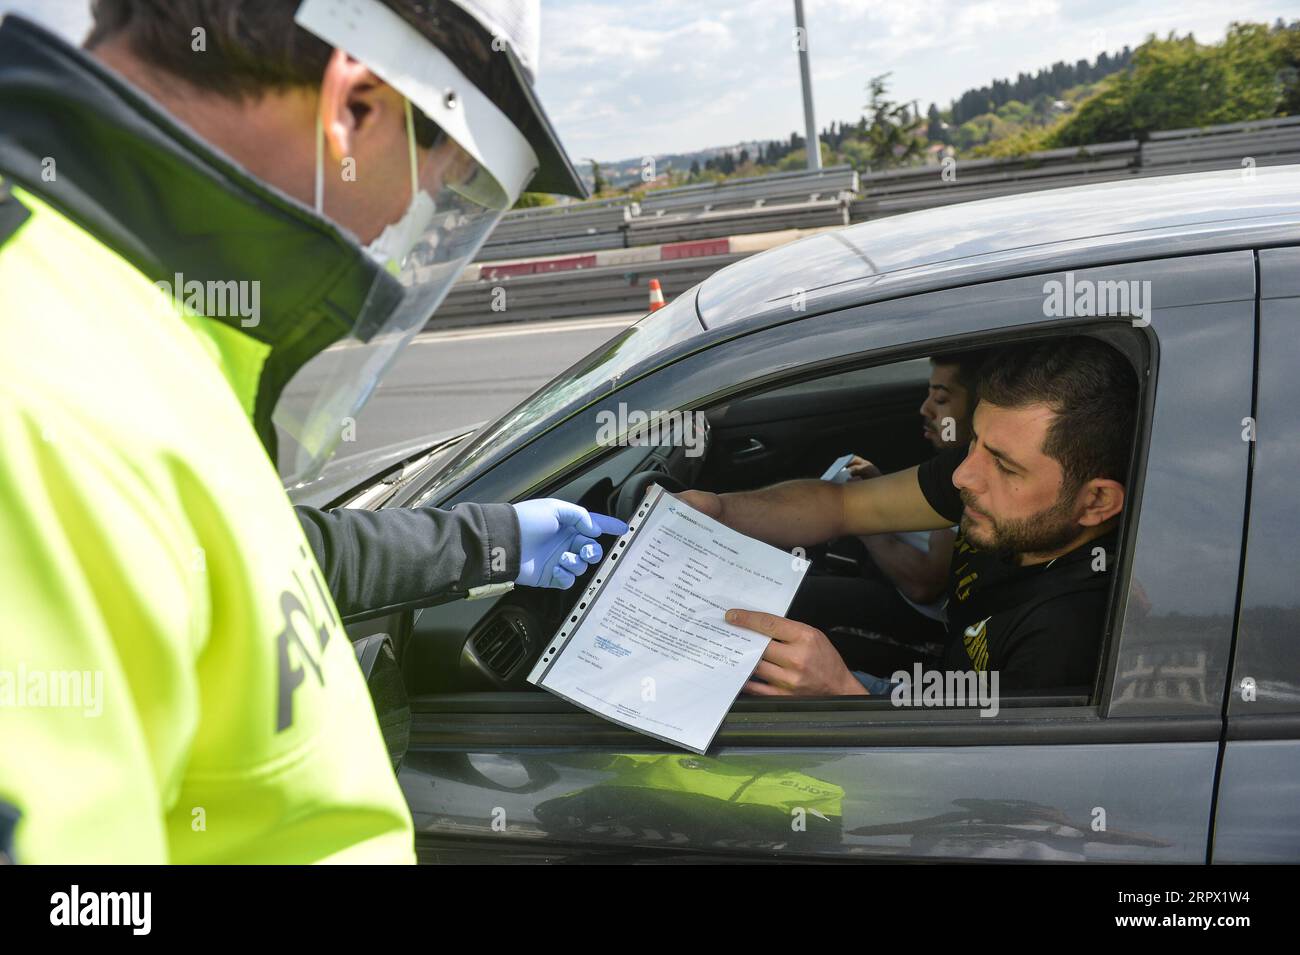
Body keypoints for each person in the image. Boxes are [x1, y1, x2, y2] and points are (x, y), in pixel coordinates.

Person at [0, 0, 624, 863]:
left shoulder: (133, 304)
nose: (403, 229)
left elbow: (248, 556)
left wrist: (497, 539)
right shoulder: (40, 389)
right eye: (441, 189)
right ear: (354, 107)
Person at [680, 337, 1137, 697]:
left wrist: (841, 693)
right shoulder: (983, 482)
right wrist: (716, 509)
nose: (962, 476)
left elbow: (986, 789)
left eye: (1004, 465)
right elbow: (840, 505)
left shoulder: (1071, 636)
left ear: (1096, 501)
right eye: (973, 441)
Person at [787, 351, 986, 651]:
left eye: (941, 400)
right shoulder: (949, 463)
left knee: (800, 597)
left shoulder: (967, 481)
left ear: (981, 411)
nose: (925, 409)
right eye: (928, 395)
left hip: (921, 615)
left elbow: (923, 583)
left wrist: (858, 518)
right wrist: (879, 486)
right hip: (894, 578)